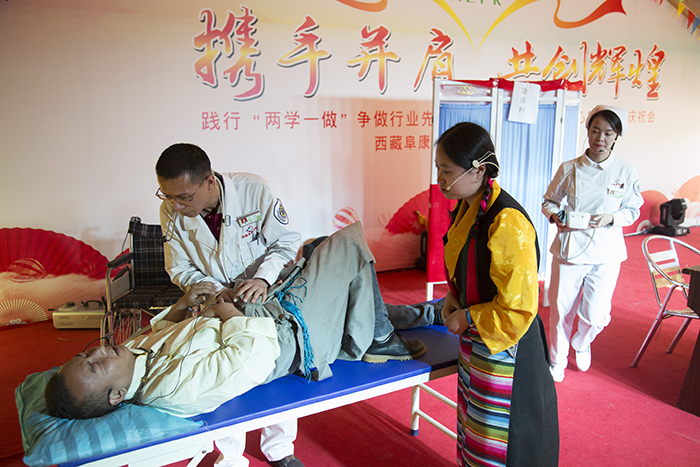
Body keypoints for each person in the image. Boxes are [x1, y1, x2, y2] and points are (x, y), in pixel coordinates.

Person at [44, 222, 426, 459]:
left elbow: (162, 330)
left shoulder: (131, 358)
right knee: (347, 243)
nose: (98, 350)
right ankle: (379, 338)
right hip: (281, 337)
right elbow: (257, 353)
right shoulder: (173, 385)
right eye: (95, 366)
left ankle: (423, 316)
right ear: (116, 396)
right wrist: (226, 309)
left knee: (319, 250)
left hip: (246, 308)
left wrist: (184, 304)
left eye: (85, 355)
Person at [149, 143, 424, 467]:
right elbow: (179, 267)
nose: (176, 205)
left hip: (268, 290)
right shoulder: (170, 210)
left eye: (184, 197)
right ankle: (231, 455)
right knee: (225, 372)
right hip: (218, 299)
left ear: (209, 181)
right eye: (168, 196)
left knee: (279, 361)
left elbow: (286, 241)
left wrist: (263, 278)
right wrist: (213, 290)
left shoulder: (253, 190)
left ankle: (279, 448)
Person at [433, 122, 559, 467]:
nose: (440, 179)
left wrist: (467, 316)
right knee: (475, 427)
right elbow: (468, 266)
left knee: (505, 437)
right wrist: (454, 298)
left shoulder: (506, 220)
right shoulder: (469, 205)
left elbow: (519, 307)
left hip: (508, 344)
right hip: (480, 338)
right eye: (438, 168)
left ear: (479, 170)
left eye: (447, 171)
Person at [543, 105, 643, 384]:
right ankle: (557, 361)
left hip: (606, 251)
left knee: (596, 315)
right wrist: (556, 216)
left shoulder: (625, 171)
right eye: (595, 131)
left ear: (617, 136)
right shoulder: (570, 168)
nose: (600, 138)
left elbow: (633, 209)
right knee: (561, 311)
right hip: (570, 249)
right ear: (587, 131)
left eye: (608, 133)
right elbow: (549, 201)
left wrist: (612, 218)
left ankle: (582, 341)